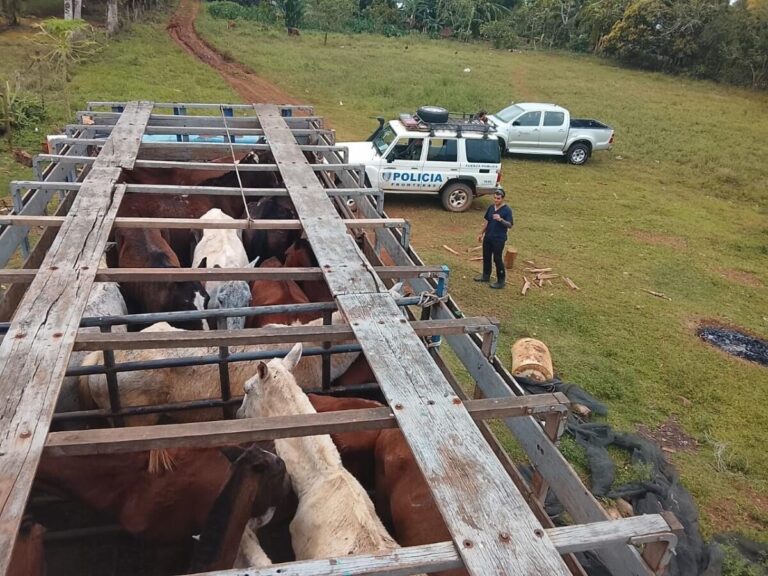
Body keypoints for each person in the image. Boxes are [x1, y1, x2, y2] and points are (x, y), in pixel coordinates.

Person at [475, 188, 513, 289]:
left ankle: (501, 280)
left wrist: (500, 219)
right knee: (486, 256)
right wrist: (481, 233)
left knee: (497, 259)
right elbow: (487, 221)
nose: (496, 200)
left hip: (498, 239)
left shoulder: (507, 210)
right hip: (488, 237)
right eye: (495, 198)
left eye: (498, 198)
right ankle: (485, 275)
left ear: (503, 199)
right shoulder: (491, 207)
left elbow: (510, 225)